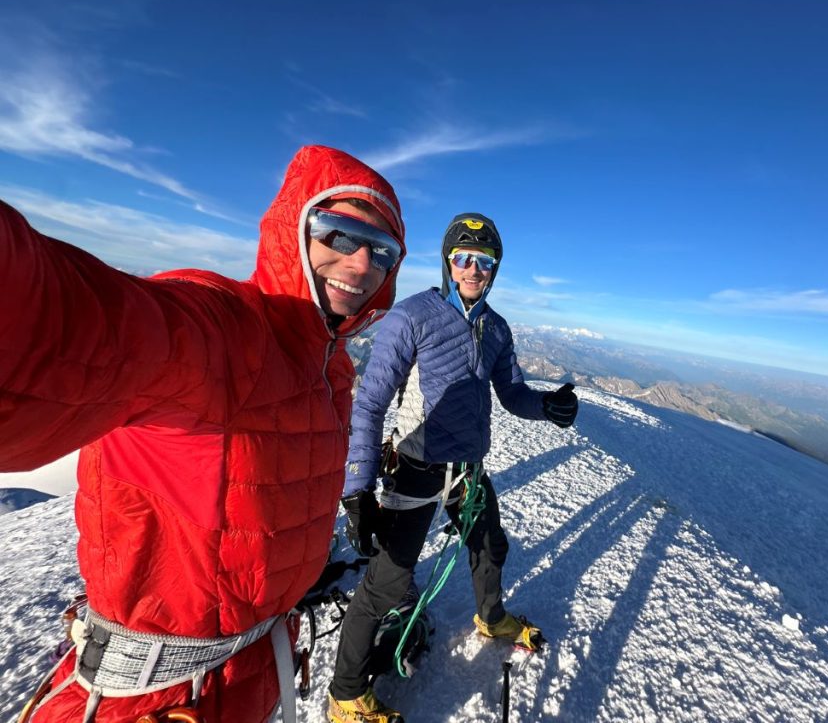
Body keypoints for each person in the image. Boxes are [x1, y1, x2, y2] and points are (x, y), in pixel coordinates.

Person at [0, 145, 406, 723]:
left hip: (247, 678)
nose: (362, 263)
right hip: (152, 698)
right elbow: (69, 325)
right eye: (339, 234)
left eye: (382, 251)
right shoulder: (224, 332)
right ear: (294, 230)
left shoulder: (329, 364)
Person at [327, 213, 579, 722]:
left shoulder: (496, 328)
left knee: (489, 546)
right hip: (416, 468)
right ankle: (345, 695)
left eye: (484, 261)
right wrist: (358, 488)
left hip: (466, 471)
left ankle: (491, 618)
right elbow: (370, 402)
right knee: (387, 584)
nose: (472, 269)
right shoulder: (412, 316)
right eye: (463, 258)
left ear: (494, 269)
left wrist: (546, 405)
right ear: (447, 262)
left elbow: (511, 393)